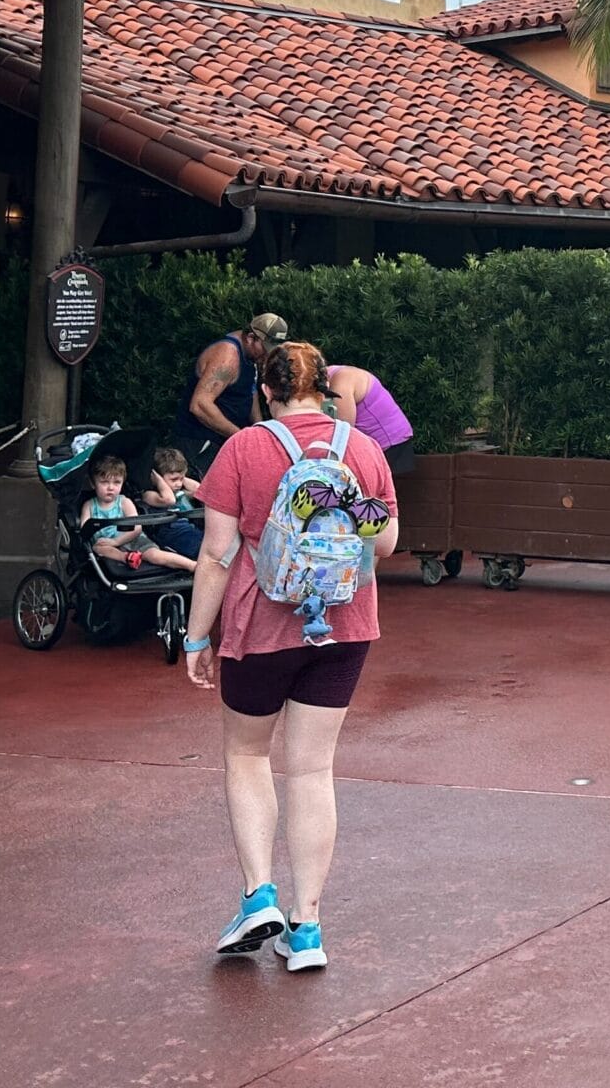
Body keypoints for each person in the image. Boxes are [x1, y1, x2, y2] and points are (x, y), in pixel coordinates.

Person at [184, 340, 399, 972]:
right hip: (344, 627)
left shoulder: (243, 448)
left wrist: (197, 638)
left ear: (266, 391)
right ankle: (306, 929)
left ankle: (259, 896)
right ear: (323, 389)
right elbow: (386, 543)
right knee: (312, 771)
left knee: (247, 754)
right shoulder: (363, 448)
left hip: (261, 627)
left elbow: (216, 555)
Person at [177, 312, 290, 464]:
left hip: (226, 442)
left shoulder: (251, 355)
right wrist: (242, 437)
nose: (267, 354)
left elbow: (250, 391)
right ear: (251, 337)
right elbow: (200, 405)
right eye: (265, 348)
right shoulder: (227, 356)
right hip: (201, 444)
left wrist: (259, 430)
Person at [81, 454, 196, 575]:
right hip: (106, 544)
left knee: (154, 555)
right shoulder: (89, 505)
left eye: (117, 482)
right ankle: (127, 558)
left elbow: (137, 528)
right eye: (104, 482)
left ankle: (191, 565)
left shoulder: (124, 502)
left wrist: (116, 541)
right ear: (93, 484)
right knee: (98, 548)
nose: (111, 487)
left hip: (132, 538)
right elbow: (85, 531)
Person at [324, 362, 416, 476]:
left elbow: (343, 435)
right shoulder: (333, 376)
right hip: (379, 448)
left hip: (390, 446)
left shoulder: (341, 383)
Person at [144, 444, 205, 561]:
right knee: (203, 548)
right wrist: (158, 480)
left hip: (188, 529)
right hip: (170, 532)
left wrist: (181, 476)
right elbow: (169, 500)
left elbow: (200, 490)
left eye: (181, 479)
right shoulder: (150, 494)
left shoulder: (181, 493)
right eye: (174, 479)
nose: (179, 484)